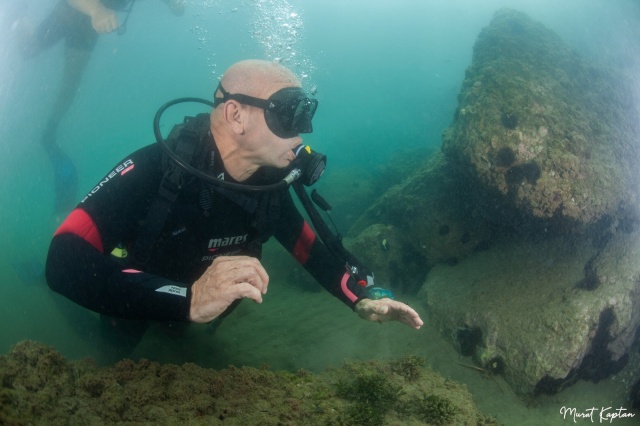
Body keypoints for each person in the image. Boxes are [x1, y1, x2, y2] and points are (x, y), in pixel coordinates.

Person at [45, 60, 423, 358]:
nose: (301, 132)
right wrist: (189, 299)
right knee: (111, 358)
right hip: (134, 301)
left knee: (183, 351)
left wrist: (361, 300)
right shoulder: (155, 171)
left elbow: (311, 251)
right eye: (288, 113)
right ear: (235, 115)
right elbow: (63, 260)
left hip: (194, 315)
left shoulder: (270, 186)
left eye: (305, 114)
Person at [19, 0, 185, 213]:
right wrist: (96, 10)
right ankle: (19, 18)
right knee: (28, 49)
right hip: (74, 10)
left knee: (71, 83)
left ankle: (49, 131)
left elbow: (177, 8)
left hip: (89, 25)